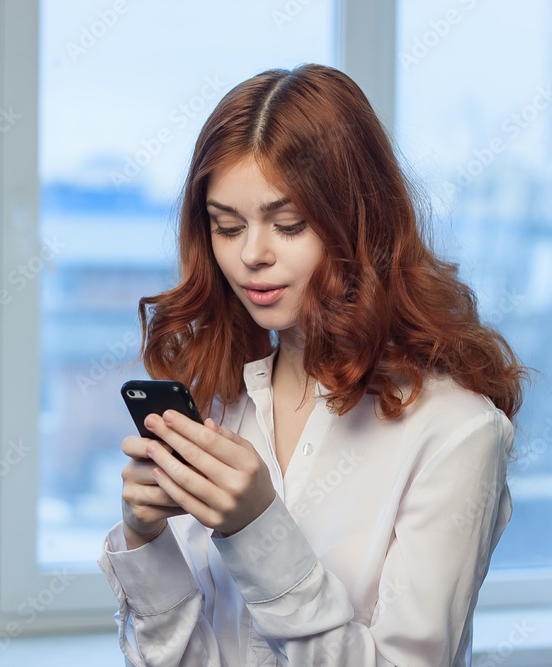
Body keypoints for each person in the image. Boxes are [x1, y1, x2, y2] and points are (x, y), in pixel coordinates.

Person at [97, 63, 527, 667]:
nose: (252, 255)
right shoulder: (220, 404)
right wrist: (146, 543)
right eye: (227, 226)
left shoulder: (456, 432)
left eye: (289, 224)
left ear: (360, 222)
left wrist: (257, 532)